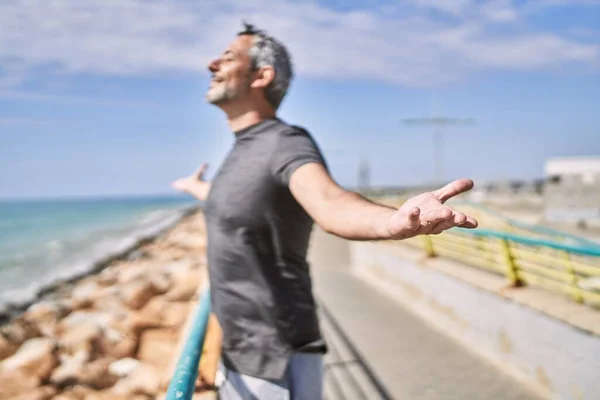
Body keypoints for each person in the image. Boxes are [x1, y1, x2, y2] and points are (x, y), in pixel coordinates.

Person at [172, 22, 478, 400]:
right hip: (245, 352)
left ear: (261, 76)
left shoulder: (285, 143)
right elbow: (234, 203)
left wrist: (392, 220)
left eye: (228, 57)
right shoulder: (242, 149)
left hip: (273, 359)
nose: (211, 64)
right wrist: (197, 188)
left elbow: (330, 202)